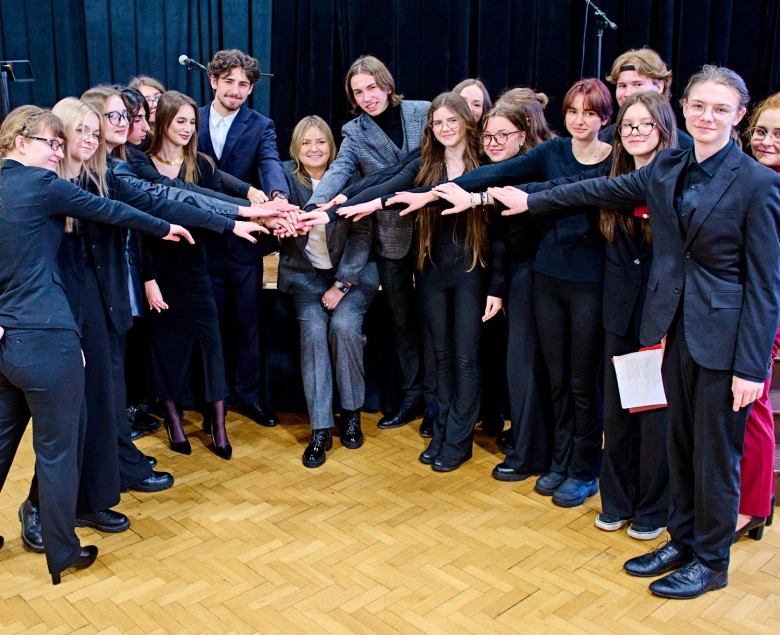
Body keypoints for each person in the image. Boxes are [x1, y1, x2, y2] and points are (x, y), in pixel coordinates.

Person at [493, 65, 780, 600]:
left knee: (715, 458)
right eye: (699, 106)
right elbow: (599, 187)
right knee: (679, 445)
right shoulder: (669, 164)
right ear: (685, 108)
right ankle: (682, 540)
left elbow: (766, 285)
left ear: (740, 116)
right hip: (669, 327)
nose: (707, 117)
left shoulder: (760, 185)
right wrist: (531, 201)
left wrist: (752, 366)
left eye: (721, 109)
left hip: (725, 342)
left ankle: (712, 562)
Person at [386, 79, 613, 505]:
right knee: (557, 379)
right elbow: (492, 177)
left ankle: (578, 466)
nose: (579, 120)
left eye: (589, 112)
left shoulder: (612, 160)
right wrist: (443, 192)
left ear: (605, 118)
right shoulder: (552, 153)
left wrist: (480, 200)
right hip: (545, 278)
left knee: (579, 381)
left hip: (587, 284)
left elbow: (555, 196)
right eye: (573, 112)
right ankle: (555, 459)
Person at [0, 105, 190, 584]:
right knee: (60, 450)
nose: (57, 152)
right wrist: (164, 227)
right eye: (52, 143)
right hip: (47, 341)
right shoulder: (40, 184)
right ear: (21, 142)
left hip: (8, 344)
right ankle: (61, 551)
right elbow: (108, 209)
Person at [337, 92, 506, 472]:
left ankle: (459, 440)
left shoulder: (484, 163)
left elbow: (502, 234)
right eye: (438, 122)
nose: (445, 128)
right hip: (430, 269)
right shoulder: (427, 161)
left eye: (452, 120)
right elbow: (391, 183)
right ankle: (444, 430)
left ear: (466, 121)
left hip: (471, 271)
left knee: (465, 359)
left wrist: (497, 285)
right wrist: (349, 203)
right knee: (441, 357)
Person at [301, 55, 432, 432]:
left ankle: (438, 401)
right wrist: (314, 204)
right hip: (390, 237)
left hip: (435, 231)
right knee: (403, 322)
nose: (367, 97)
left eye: (371, 88)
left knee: (436, 320)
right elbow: (340, 169)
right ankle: (413, 396)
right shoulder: (354, 131)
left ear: (387, 85)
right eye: (358, 92)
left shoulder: (422, 112)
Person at [140, 90, 270, 459]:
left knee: (211, 344)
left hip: (196, 267)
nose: (187, 127)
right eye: (179, 120)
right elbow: (139, 231)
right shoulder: (141, 165)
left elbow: (220, 203)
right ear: (161, 121)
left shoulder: (202, 165)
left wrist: (255, 210)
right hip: (159, 271)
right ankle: (173, 419)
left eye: (191, 121)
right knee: (168, 347)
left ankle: (217, 424)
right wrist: (148, 278)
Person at [271, 116, 378, 467]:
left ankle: (350, 414)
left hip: (353, 275)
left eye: (321, 142)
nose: (314, 149)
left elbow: (362, 237)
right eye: (306, 143)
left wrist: (342, 284)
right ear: (295, 149)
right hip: (305, 277)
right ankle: (320, 429)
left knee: (344, 328)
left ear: (332, 146)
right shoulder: (284, 178)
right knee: (314, 334)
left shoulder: (351, 177)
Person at [197, 49, 288, 428]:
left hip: (245, 243)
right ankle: (211, 400)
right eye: (229, 81)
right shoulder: (190, 120)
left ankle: (248, 397)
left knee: (247, 324)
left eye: (244, 85)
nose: (236, 90)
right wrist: (249, 193)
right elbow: (199, 174)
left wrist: (279, 198)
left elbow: (270, 162)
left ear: (251, 89)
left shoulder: (261, 124)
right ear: (213, 80)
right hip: (200, 237)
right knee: (210, 324)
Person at [732, 92, 780, 542]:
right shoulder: (752, 176)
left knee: (755, 407)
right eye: (762, 131)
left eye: (778, 134)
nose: (766, 141)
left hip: (769, 311)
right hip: (739, 305)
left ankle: (752, 508)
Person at [601, 47, 693, 149]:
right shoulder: (603, 141)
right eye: (622, 86)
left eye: (637, 84)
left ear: (659, 87)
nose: (628, 93)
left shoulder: (686, 147)